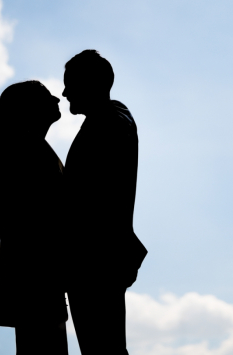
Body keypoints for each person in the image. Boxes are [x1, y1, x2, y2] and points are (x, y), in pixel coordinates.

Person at [62, 50, 147, 355]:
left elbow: (91, 198)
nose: (65, 92)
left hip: (94, 257)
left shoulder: (108, 124)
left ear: (92, 83)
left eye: (70, 83)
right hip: (99, 256)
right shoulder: (111, 121)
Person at [0, 80, 69, 355]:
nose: (56, 98)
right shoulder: (28, 152)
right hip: (35, 274)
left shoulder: (28, 149)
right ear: (29, 109)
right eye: (45, 96)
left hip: (33, 272)